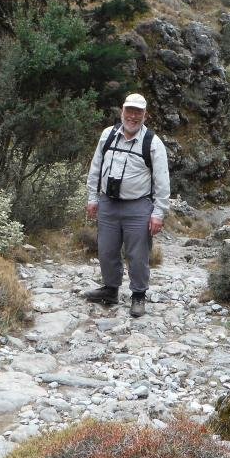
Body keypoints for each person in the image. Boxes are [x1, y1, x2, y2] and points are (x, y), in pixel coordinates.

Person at [85, 93, 170, 318]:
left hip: (138, 207)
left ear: (145, 115)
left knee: (138, 254)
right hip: (108, 204)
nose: (133, 116)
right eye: (129, 111)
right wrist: (93, 198)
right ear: (122, 111)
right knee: (106, 250)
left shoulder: (153, 143)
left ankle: (138, 296)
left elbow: (162, 180)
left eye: (138, 112)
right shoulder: (108, 135)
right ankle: (110, 290)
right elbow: (96, 167)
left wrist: (158, 213)